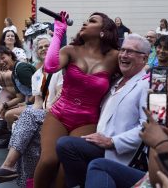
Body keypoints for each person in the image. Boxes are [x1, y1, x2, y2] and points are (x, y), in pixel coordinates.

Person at [33, 11, 120, 188]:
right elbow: (49, 67)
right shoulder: (70, 50)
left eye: (92, 21)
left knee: (66, 169)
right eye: (85, 20)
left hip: (87, 120)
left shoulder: (115, 57)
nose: (85, 23)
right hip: (59, 114)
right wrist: (59, 32)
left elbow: (136, 70)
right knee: (49, 160)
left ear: (104, 30)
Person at [57, 34, 151, 187]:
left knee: (67, 146)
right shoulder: (116, 81)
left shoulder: (147, 85)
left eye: (130, 51)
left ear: (144, 59)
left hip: (120, 152)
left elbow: (147, 128)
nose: (123, 55)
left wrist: (112, 141)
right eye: (122, 50)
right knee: (65, 146)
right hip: (100, 145)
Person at [0, 34, 64, 187]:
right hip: (43, 114)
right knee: (26, 128)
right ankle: (26, 182)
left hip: (59, 113)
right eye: (40, 47)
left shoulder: (61, 69)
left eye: (46, 46)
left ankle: (9, 166)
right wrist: (29, 112)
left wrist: (44, 109)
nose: (43, 49)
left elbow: (62, 94)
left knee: (27, 118)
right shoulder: (37, 75)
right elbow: (37, 102)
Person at [0, 46, 36, 148]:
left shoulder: (21, 69)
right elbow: (19, 97)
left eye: (3, 58)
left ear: (10, 55)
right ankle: (11, 138)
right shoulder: (14, 73)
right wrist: (5, 105)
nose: (1, 62)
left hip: (41, 103)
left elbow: (39, 91)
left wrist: (26, 103)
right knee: (4, 111)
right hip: (32, 102)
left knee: (9, 115)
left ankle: (16, 143)